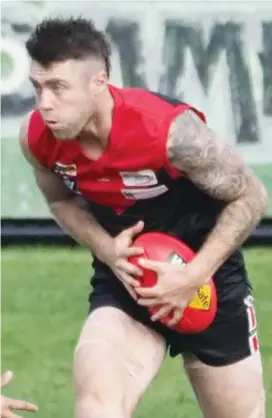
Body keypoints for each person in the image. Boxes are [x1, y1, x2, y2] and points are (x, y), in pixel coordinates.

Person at [19, 17, 267, 418]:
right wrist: (106, 249)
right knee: (97, 409)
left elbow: (252, 196)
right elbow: (61, 203)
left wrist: (193, 275)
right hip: (127, 281)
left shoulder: (168, 132)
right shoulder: (38, 140)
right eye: (37, 87)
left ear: (98, 82)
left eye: (58, 88)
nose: (45, 104)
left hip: (209, 281)